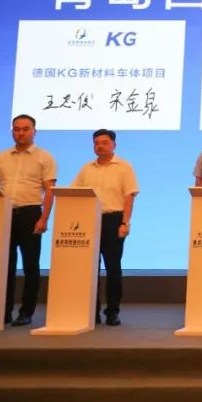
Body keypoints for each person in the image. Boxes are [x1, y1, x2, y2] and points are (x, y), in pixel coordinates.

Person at [0, 114, 57, 327]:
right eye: (17, 129)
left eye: (25, 129)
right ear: (12, 131)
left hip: (30, 214)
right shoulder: (1, 157)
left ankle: (26, 312)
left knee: (30, 265)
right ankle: (4, 311)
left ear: (34, 131)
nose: (21, 133)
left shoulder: (44, 157)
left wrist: (44, 218)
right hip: (4, 214)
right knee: (4, 266)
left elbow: (50, 191)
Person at [72, 129, 139, 326]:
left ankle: (112, 311)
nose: (100, 146)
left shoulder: (124, 167)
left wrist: (125, 223)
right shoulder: (87, 168)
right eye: (96, 143)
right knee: (90, 269)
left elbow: (129, 196)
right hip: (89, 221)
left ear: (114, 145)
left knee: (112, 268)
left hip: (113, 220)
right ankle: (91, 311)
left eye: (104, 142)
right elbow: (74, 192)